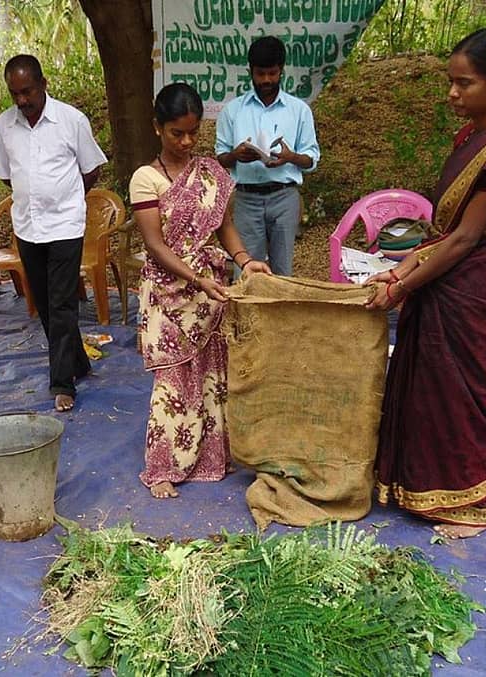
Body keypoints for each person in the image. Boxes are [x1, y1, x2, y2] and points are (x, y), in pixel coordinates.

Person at [366, 28, 486, 539]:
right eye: (451, 82)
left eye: (464, 84)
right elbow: (447, 233)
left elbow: (467, 238)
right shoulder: (473, 136)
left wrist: (401, 286)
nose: (452, 93)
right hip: (449, 275)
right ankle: (423, 489)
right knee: (431, 391)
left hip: (477, 289)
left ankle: (472, 503)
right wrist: (402, 269)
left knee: (466, 397)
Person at [131, 83, 271, 499]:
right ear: (158, 128)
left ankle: (212, 457)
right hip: (168, 294)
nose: (187, 141)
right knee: (173, 381)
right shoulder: (146, 179)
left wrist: (245, 260)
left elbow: (225, 227)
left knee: (212, 375)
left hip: (210, 295)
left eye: (194, 132)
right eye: (177, 133)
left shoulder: (209, 172)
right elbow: (156, 245)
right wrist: (198, 280)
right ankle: (163, 467)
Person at [0, 54, 107, 413]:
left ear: (43, 84)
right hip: (28, 225)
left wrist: (66, 198)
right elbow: (5, 174)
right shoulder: (4, 126)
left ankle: (62, 382)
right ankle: (79, 362)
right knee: (43, 303)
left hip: (65, 225)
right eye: (15, 94)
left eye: (27, 91)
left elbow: (91, 170)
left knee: (61, 304)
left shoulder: (71, 120)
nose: (22, 100)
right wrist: (35, 196)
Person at [215, 35, 320, 276]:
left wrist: (291, 157)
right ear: (250, 71)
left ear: (281, 71)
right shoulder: (233, 111)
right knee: (246, 269)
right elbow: (221, 157)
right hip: (246, 198)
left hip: (284, 196)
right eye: (260, 73)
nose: (266, 80)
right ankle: (248, 313)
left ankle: (280, 313)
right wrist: (236, 155)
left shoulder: (299, 110)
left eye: (272, 73)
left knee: (282, 271)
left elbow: (311, 159)